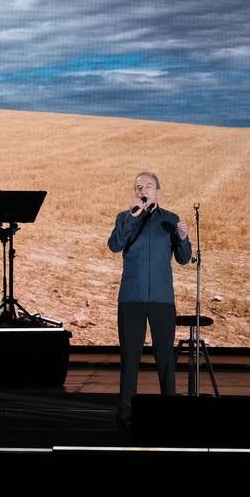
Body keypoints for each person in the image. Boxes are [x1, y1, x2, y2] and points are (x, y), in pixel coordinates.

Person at [107, 171, 191, 428]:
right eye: (138, 187)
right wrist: (133, 218)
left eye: (148, 186)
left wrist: (184, 239)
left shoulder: (170, 220)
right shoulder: (125, 217)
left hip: (162, 299)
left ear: (158, 191)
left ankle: (169, 413)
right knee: (130, 355)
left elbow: (183, 258)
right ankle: (126, 414)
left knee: (165, 356)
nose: (143, 190)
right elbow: (114, 245)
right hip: (131, 297)